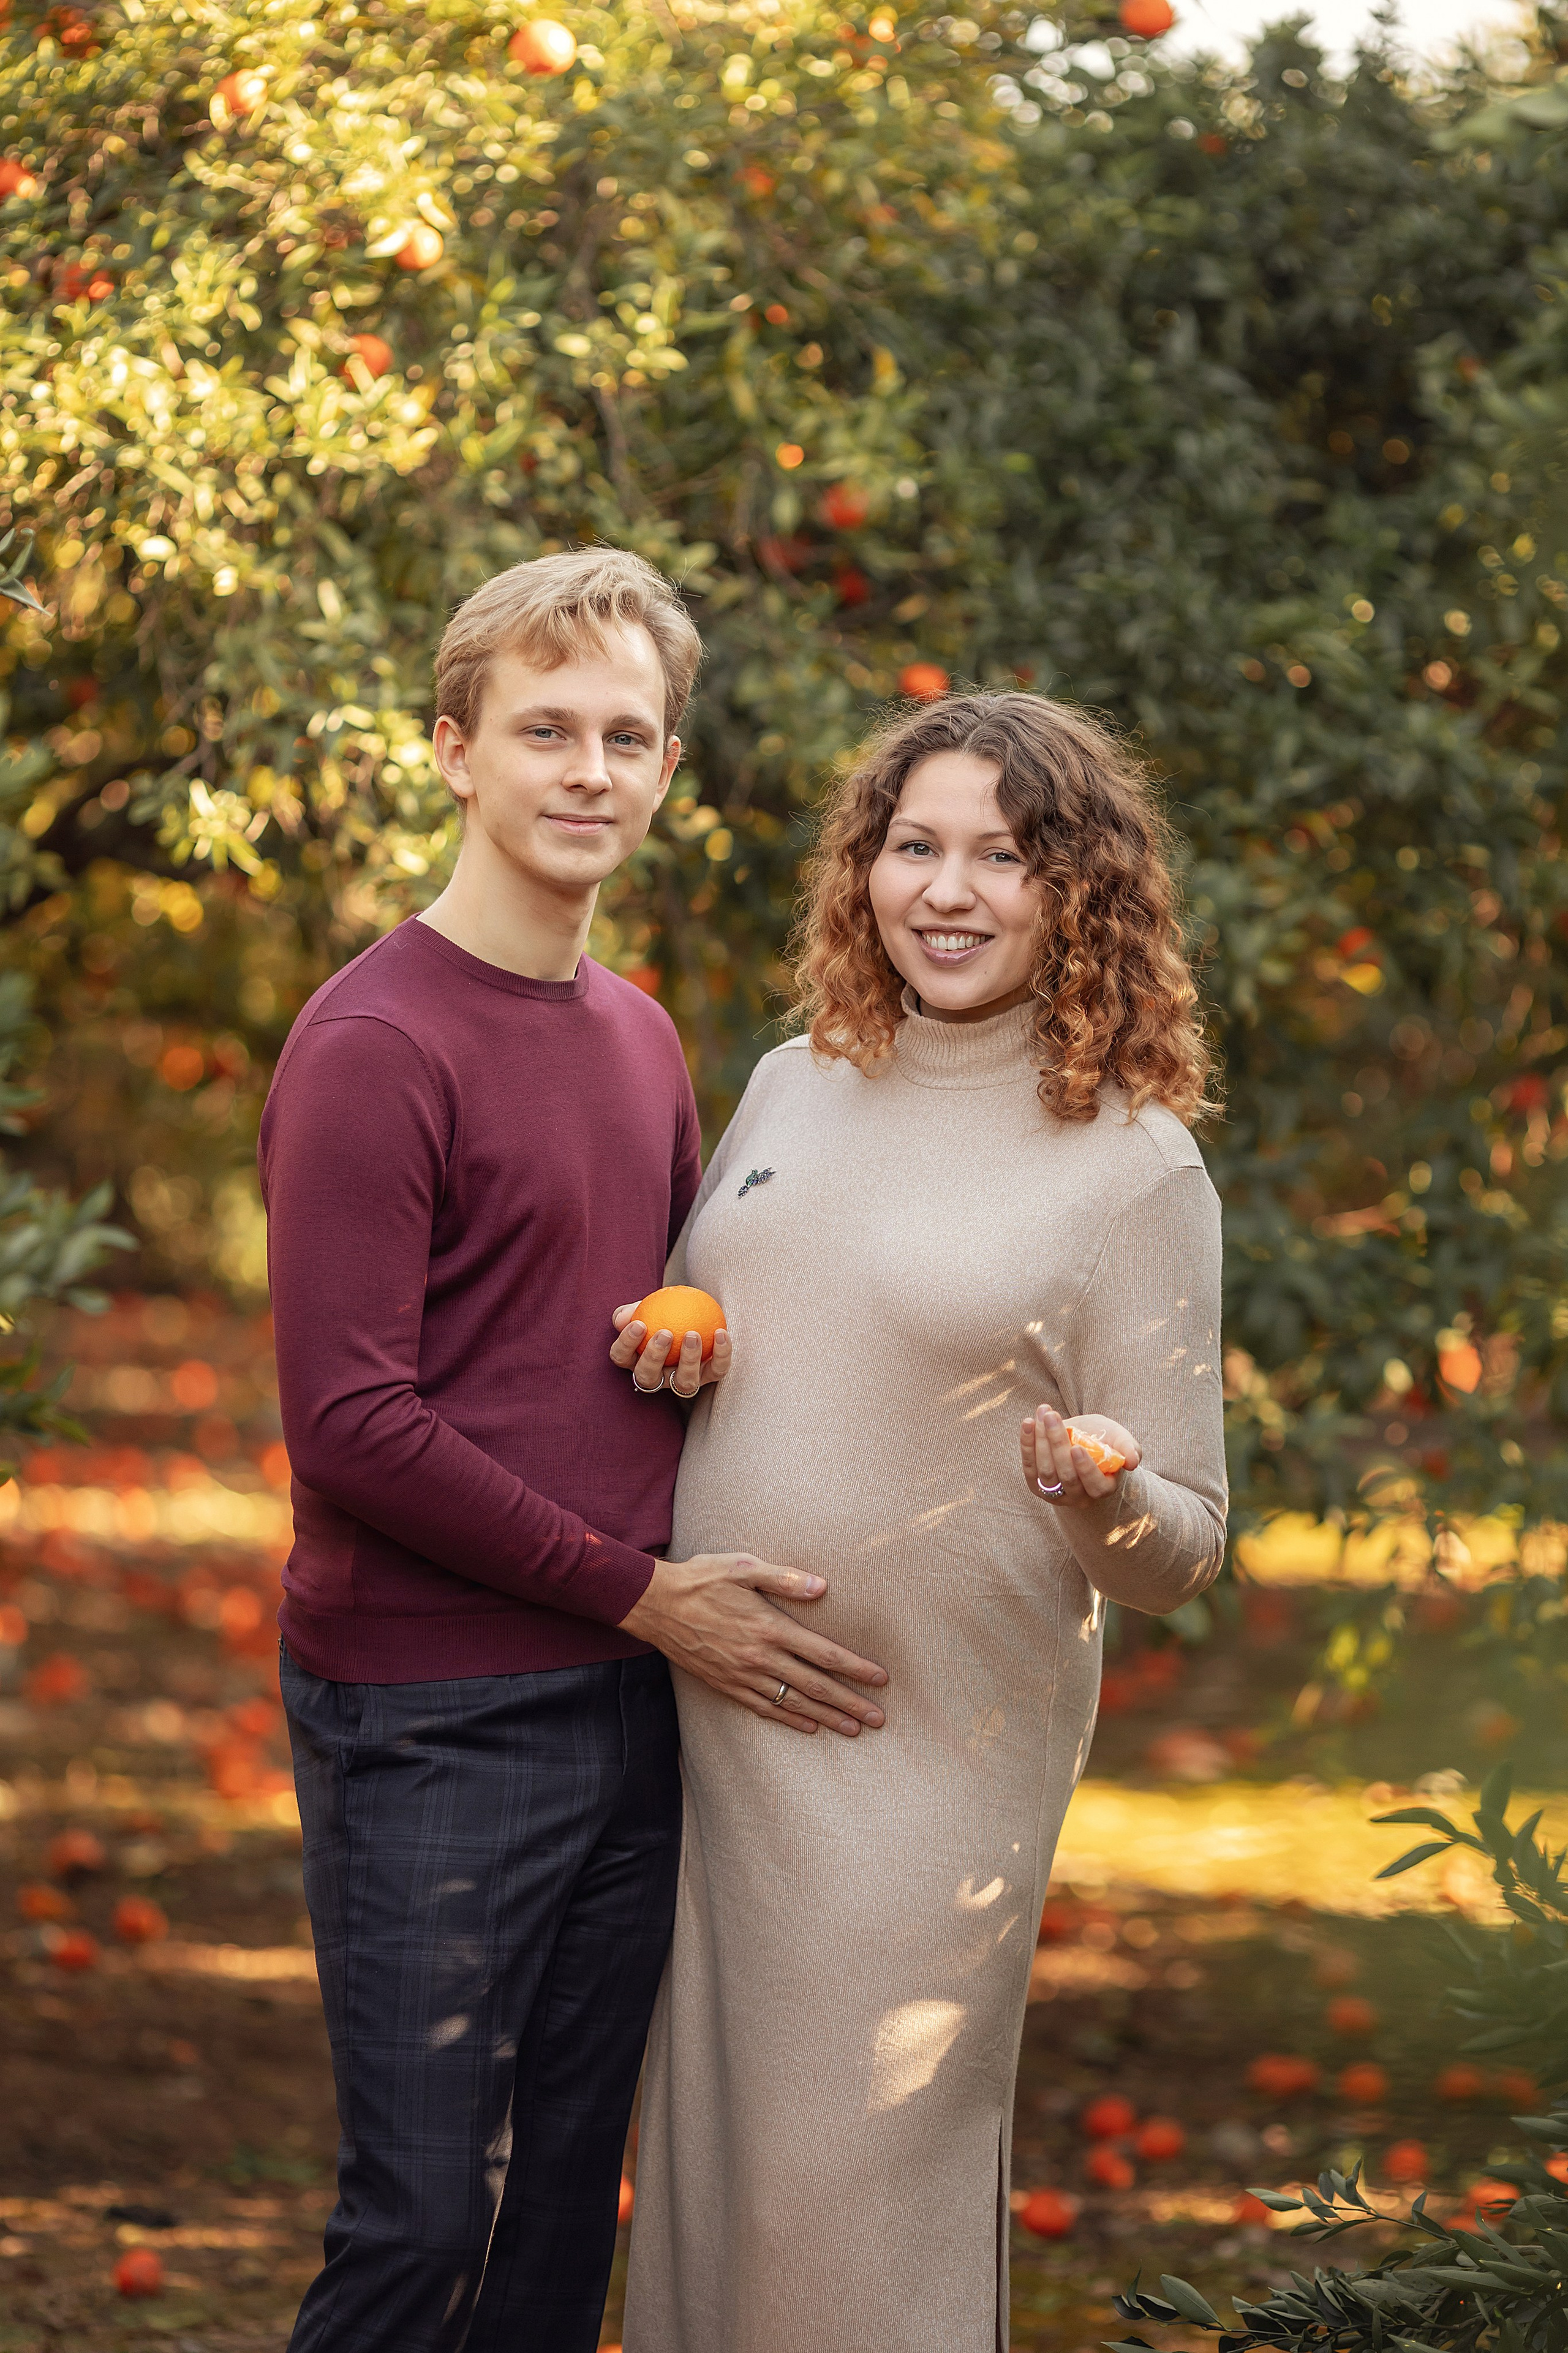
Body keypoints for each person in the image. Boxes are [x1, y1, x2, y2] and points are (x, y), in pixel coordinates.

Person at [260, 547, 888, 2353]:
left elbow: (630, 1317)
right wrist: (643, 1593)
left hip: (634, 1700)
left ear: (669, 767)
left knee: (556, 2235)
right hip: (431, 1709)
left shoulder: (640, 1038)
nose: (589, 771)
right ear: (455, 749)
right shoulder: (375, 1042)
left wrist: (690, 1332)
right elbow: (352, 1426)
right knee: (420, 2227)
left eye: (627, 735)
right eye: (546, 730)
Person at [622, 691, 1228, 2353]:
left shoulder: (1135, 1164)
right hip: (712, 1718)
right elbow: (739, 1320)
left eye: (1003, 857)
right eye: (914, 846)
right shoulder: (789, 1084)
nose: (947, 892)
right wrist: (682, 1346)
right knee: (717, 2184)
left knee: (851, 2193)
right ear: (865, 870)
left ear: (1077, 890)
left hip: (925, 1746)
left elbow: (1187, 1547)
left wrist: (1105, 1487)